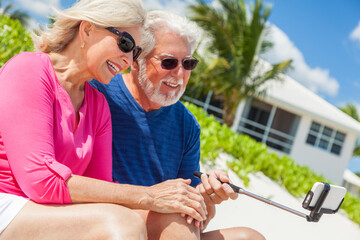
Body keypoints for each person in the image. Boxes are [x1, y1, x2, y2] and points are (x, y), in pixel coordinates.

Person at [0, 2, 209, 239]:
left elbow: (102, 190)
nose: (129, 60)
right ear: (87, 29)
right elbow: (41, 180)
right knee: (121, 223)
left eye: (136, 52)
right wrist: (150, 195)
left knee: (173, 223)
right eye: (126, 43)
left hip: (52, 211)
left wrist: (191, 204)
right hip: (9, 202)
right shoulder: (30, 68)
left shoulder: (98, 105)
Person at [90, 10, 266, 240]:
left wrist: (205, 198)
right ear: (136, 60)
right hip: (109, 217)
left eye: (188, 63)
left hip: (164, 227)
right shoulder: (100, 92)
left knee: (248, 237)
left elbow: (195, 220)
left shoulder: (187, 125)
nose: (180, 73)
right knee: (174, 221)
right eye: (169, 61)